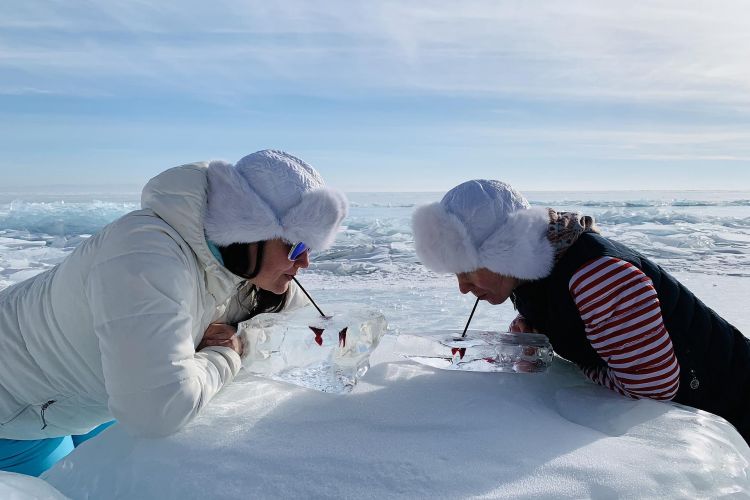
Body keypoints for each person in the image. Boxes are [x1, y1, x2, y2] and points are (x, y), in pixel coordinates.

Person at [0, 149, 348, 475]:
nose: (305, 261)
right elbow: (156, 412)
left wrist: (251, 338)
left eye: (311, 246)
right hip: (16, 414)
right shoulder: (144, 255)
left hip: (90, 401)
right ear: (248, 231)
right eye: (297, 245)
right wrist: (228, 352)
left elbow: (313, 330)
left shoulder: (243, 266)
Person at [411, 179, 750, 442]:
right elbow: (564, 307)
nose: (463, 287)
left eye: (469, 268)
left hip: (733, 402)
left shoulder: (597, 276)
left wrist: (575, 366)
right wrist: (532, 329)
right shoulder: (537, 266)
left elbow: (653, 386)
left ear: (507, 250)